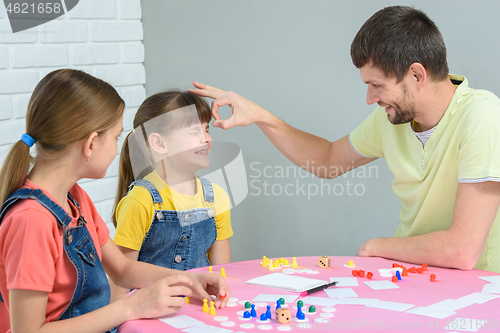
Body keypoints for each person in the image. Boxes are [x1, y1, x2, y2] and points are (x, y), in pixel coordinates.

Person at [189, 6, 500, 273]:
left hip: (477, 288)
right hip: (413, 275)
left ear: (416, 75)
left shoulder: (481, 116)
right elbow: (326, 160)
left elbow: (463, 250)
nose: (369, 98)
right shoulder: (391, 119)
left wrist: (374, 247)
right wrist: (261, 116)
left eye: (376, 85)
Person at [0, 69, 230, 333]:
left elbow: (122, 269)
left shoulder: (74, 198)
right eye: (116, 137)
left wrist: (191, 279)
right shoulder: (31, 220)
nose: (118, 147)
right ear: (91, 144)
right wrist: (131, 307)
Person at [110, 91, 232, 300]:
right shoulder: (141, 200)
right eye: (195, 131)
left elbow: (221, 273)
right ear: (159, 144)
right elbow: (120, 280)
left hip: (198, 312)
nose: (207, 138)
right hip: (149, 318)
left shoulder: (216, 197)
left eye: (206, 129)